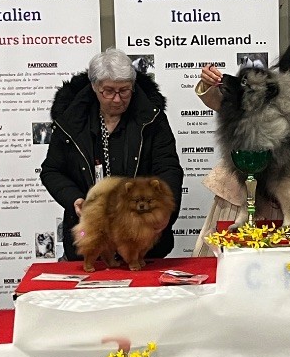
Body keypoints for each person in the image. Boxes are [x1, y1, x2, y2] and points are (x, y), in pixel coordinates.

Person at [192, 35, 290, 256]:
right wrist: (208, 84)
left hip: (283, 201)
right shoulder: (259, 86)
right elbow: (219, 100)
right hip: (237, 197)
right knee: (222, 264)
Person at [41, 48, 184, 261]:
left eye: (124, 91)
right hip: (89, 234)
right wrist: (75, 199)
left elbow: (168, 169)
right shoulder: (71, 120)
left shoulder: (152, 119)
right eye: (108, 91)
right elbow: (52, 171)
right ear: (94, 87)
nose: (117, 99)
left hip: (142, 240)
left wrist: (164, 212)